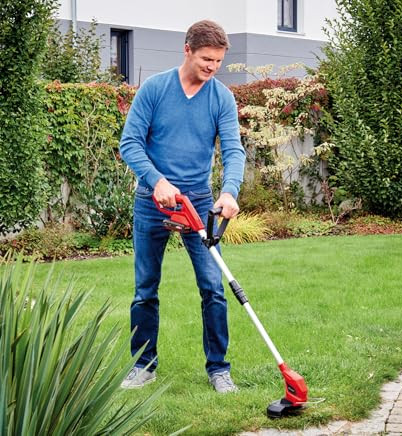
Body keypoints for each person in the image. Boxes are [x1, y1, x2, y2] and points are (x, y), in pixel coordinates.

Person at [119, 20, 246, 393]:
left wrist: (229, 191)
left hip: (199, 203)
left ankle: (219, 369)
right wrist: (156, 180)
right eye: (207, 59)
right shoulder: (155, 89)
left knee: (213, 287)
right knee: (145, 287)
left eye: (218, 61)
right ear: (187, 50)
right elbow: (130, 143)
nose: (212, 67)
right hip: (152, 201)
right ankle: (143, 366)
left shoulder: (221, 97)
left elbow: (233, 149)